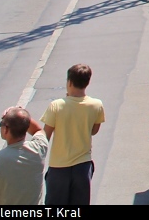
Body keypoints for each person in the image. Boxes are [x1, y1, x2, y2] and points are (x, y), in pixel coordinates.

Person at [41, 64, 105, 206]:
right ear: (87, 82)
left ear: (69, 82)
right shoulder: (96, 105)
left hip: (59, 167)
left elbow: (45, 135)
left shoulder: (56, 106)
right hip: (83, 166)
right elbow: (94, 131)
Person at [0, 107, 49, 206]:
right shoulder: (39, 149)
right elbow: (38, 130)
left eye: (1, 124)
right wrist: (20, 113)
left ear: (6, 129)